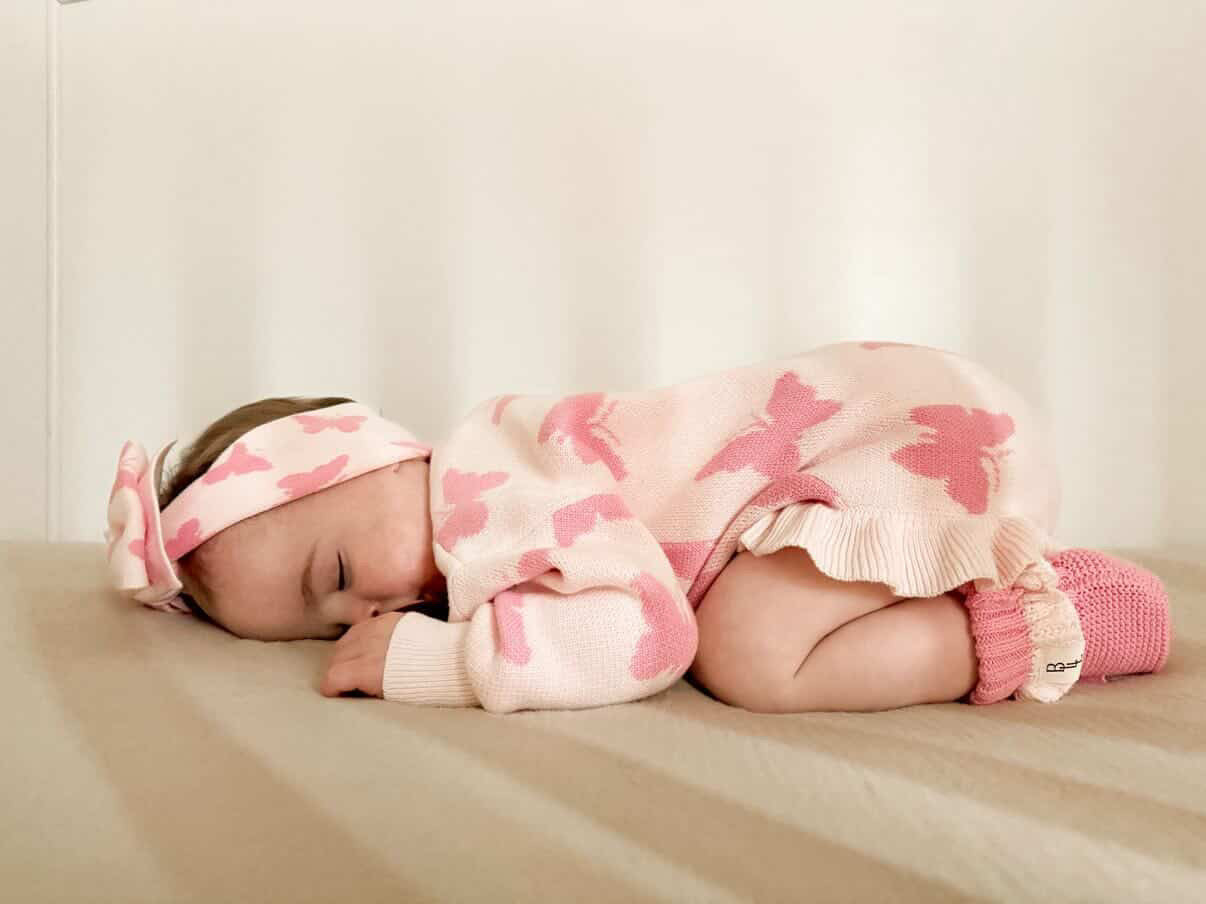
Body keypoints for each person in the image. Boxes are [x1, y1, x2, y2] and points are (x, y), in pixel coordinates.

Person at [105, 340, 1171, 714]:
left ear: (387, 452)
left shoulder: (491, 491)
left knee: (750, 654)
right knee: (758, 619)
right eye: (321, 621)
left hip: (897, 439)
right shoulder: (486, 484)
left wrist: (445, 664)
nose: (369, 608)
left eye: (335, 568)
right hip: (875, 441)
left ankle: (1042, 622)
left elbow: (649, 637)